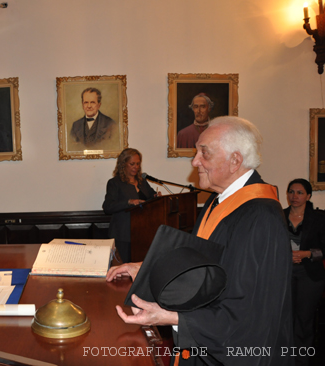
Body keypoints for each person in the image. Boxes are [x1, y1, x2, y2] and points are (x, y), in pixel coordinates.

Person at [108, 116, 293, 365]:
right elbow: (198, 263)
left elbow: (249, 314)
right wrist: (145, 268)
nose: (195, 161)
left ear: (235, 160)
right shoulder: (218, 201)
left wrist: (174, 318)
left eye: (203, 153)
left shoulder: (261, 217)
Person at [284, 178, 325, 366]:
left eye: (300, 193)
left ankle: (302, 359)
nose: (294, 196)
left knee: (304, 318)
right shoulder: (278, 215)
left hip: (310, 274)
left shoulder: (319, 218)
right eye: (291, 192)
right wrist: (285, 254)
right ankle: (285, 356)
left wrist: (307, 253)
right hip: (283, 273)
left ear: (308, 196)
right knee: (285, 317)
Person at [103, 148, 157, 263]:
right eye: (132, 164)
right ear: (123, 164)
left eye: (138, 164)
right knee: (124, 269)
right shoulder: (114, 183)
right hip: (123, 234)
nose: (136, 167)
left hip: (143, 232)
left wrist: (156, 197)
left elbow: (151, 198)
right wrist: (128, 202)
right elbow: (107, 206)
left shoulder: (142, 182)